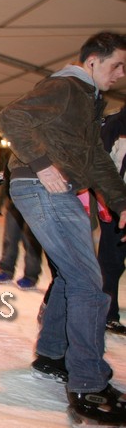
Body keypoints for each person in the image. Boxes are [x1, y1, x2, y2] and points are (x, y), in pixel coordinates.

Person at [0, 31, 126, 426]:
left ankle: (53, 355)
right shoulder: (67, 87)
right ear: (93, 61)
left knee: (74, 278)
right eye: (117, 65)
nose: (121, 74)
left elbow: (97, 160)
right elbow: (11, 117)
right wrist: (42, 165)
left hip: (54, 189)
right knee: (89, 283)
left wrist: (122, 203)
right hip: (44, 188)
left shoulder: (88, 100)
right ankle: (88, 383)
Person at [0, 167, 44, 290]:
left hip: (34, 201)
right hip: (14, 202)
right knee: (10, 237)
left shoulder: (38, 157)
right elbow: (7, 180)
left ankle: (31, 275)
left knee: (31, 240)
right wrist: (0, 203)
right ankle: (6, 270)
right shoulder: (13, 158)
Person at [99, 104, 126, 335]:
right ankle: (108, 313)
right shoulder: (115, 125)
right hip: (117, 204)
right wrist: (106, 202)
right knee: (112, 261)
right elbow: (102, 168)